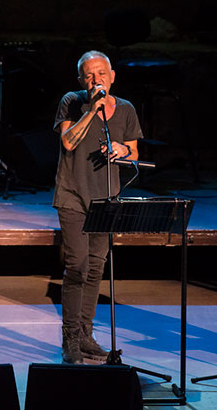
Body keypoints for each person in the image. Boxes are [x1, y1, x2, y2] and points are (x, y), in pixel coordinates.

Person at [53, 50, 143, 364]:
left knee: (95, 268)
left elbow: (134, 152)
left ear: (112, 76)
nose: (96, 80)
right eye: (89, 75)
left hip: (106, 199)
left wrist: (122, 149)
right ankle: (70, 340)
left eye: (101, 73)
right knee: (77, 266)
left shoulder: (126, 109)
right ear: (81, 80)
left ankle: (86, 335)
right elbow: (68, 141)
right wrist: (92, 110)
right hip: (73, 196)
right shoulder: (72, 101)